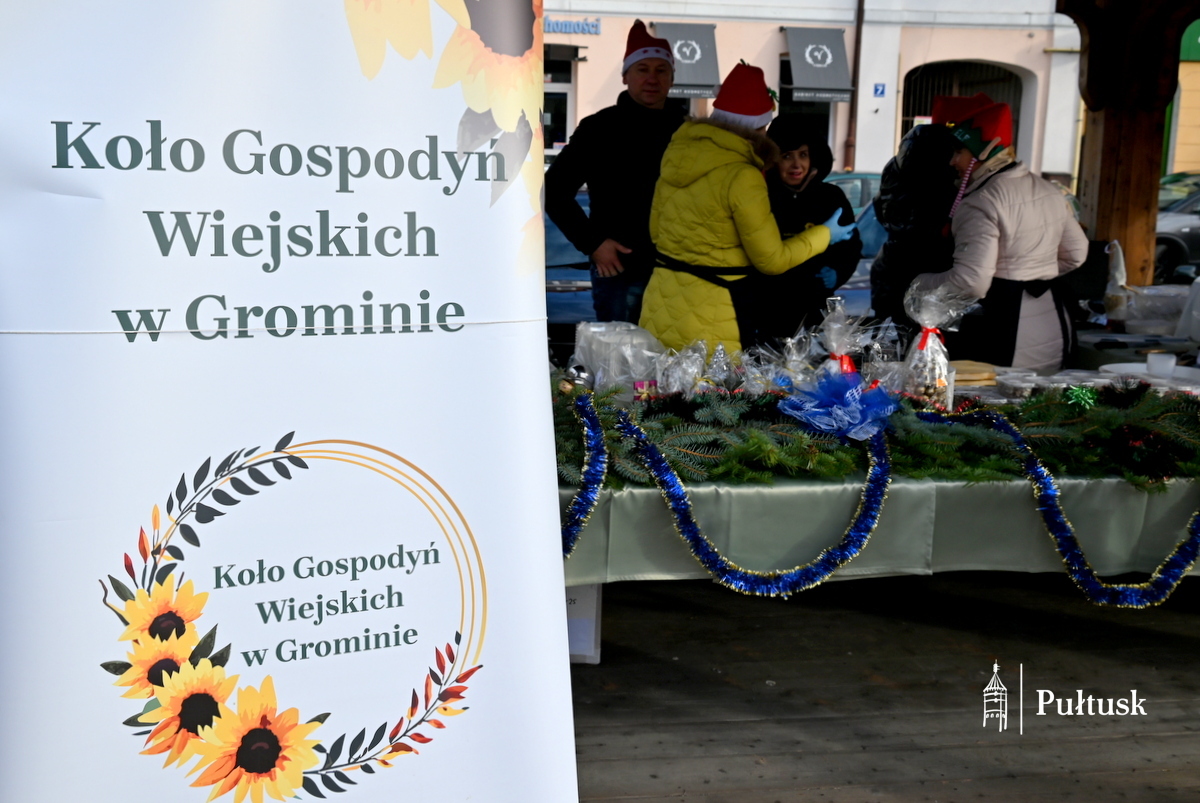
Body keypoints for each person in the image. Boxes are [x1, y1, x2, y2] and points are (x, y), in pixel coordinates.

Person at [638, 62, 856, 354]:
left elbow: (656, 232)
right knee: (712, 384)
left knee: (665, 379)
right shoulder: (743, 175)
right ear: (757, 128)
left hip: (662, 301)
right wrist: (824, 235)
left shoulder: (677, 155)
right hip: (714, 313)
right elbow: (772, 260)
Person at [909, 95, 1089, 371]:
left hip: (1006, 327)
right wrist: (1034, 270)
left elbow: (971, 282)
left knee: (998, 398)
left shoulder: (981, 202)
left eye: (959, 152)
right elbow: (1076, 254)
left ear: (982, 153)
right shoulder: (1049, 189)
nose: (953, 161)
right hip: (1054, 323)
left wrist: (920, 283)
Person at [545, 20, 685, 323]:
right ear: (625, 76)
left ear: (672, 78)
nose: (652, 78)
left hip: (682, 272)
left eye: (661, 70)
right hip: (621, 270)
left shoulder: (688, 132)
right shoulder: (599, 129)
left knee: (678, 353)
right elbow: (553, 191)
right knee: (622, 353)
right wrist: (593, 243)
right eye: (642, 69)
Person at [753, 115, 862, 342]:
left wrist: (838, 272)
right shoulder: (759, 197)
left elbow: (851, 247)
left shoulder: (830, 198)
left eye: (803, 154)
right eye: (787, 156)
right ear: (773, 160)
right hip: (765, 313)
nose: (796, 165)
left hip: (816, 316)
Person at [869, 122, 959, 330]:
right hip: (924, 275)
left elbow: (881, 211)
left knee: (889, 336)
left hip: (889, 267)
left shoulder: (894, 171)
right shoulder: (941, 185)